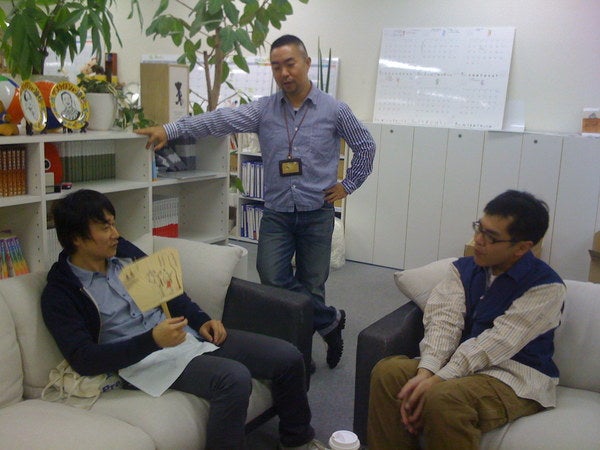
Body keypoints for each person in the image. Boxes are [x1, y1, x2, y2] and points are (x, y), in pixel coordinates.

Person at [136, 34, 376, 371]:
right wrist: (171, 129)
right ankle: (330, 321)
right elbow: (218, 120)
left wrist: (348, 184)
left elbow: (366, 146)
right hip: (277, 212)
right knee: (271, 277)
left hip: (316, 212)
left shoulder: (335, 110)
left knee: (312, 285)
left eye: (290, 64)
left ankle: (301, 355)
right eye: (276, 67)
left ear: (307, 63)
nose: (284, 73)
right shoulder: (264, 109)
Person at [41, 189, 327, 450]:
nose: (115, 233)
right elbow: (85, 359)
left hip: (184, 336)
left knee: (288, 357)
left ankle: (297, 440)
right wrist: (153, 341)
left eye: (114, 224)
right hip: (142, 362)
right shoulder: (61, 292)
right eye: (105, 227)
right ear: (76, 238)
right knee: (233, 378)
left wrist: (201, 320)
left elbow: (170, 292)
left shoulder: (123, 254)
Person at [367, 190, 566, 450]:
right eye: (479, 228)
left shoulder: (546, 287)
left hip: (515, 377)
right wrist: (427, 370)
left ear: (521, 247)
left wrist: (438, 379)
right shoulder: (463, 269)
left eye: (490, 236)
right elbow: (444, 322)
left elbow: (497, 342)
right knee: (388, 372)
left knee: (443, 397)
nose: (478, 240)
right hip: (464, 367)